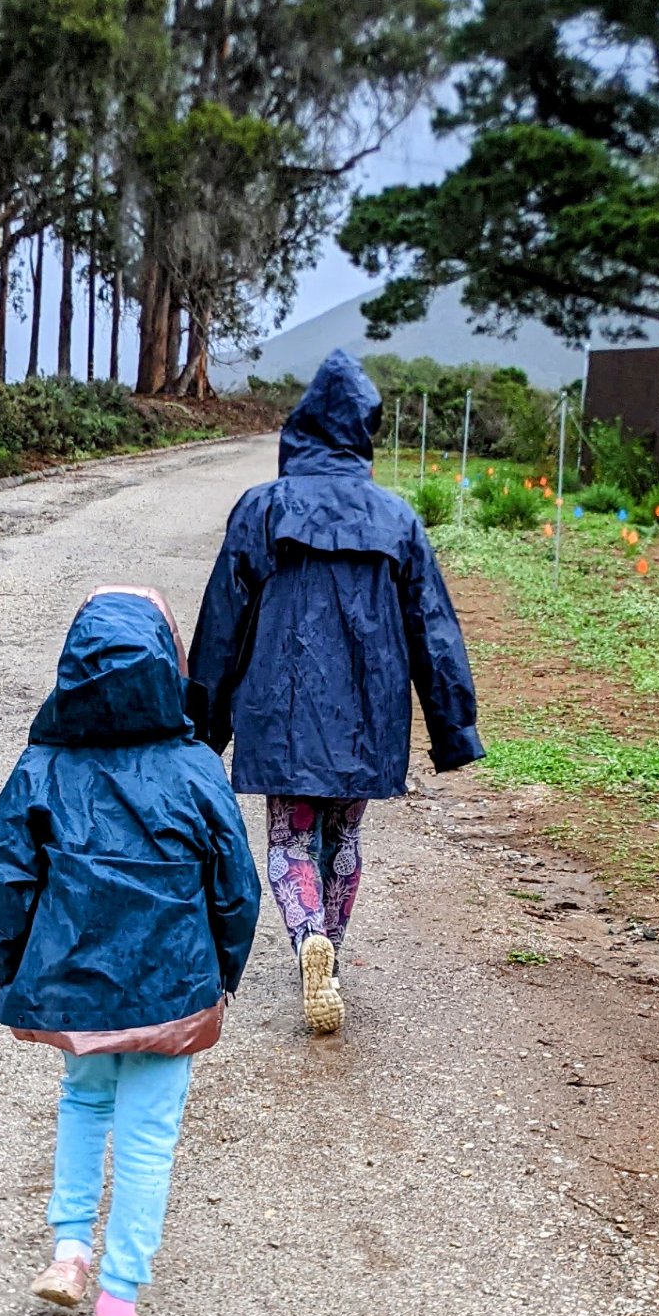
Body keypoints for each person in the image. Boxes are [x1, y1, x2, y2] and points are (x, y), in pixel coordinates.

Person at [0, 590, 260, 1316]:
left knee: (83, 1099)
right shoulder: (196, 768)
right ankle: (117, 1308)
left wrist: (13, 965)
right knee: (147, 1138)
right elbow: (235, 887)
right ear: (168, 667)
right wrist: (222, 975)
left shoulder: (43, 765)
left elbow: (6, 877)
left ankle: (69, 1249)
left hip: (74, 982)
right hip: (174, 984)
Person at [187, 350, 482, 1035]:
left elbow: (223, 621)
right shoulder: (397, 518)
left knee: (291, 838)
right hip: (369, 713)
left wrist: (202, 722)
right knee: (345, 832)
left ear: (300, 427)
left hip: (282, 708)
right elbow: (433, 629)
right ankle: (333, 954)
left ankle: (307, 938)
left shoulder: (264, 508)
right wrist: (453, 729)